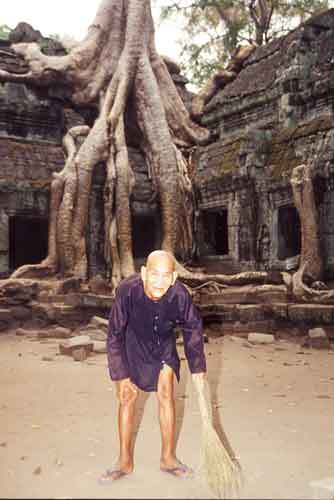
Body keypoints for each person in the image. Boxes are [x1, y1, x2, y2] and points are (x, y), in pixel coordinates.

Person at [100, 250, 207, 483]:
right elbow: (114, 334)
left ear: (174, 278)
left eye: (165, 276)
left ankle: (168, 458)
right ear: (144, 273)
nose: (160, 281)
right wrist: (119, 375)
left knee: (167, 394)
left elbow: (193, 329)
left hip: (164, 346)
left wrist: (198, 370)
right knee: (128, 397)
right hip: (133, 344)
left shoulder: (180, 295)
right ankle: (124, 461)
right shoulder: (127, 290)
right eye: (155, 274)